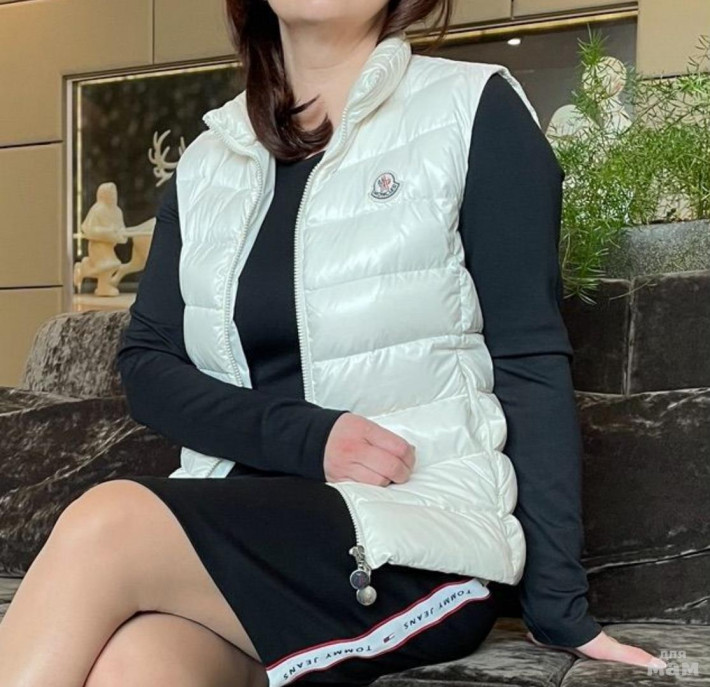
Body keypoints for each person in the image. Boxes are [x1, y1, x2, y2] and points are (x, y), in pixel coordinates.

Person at [0, 1, 666, 685]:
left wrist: (560, 608)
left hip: (415, 537)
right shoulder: (208, 161)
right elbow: (148, 365)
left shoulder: (471, 110)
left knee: (109, 522)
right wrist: (307, 438)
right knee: (135, 665)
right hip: (245, 529)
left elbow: (528, 360)